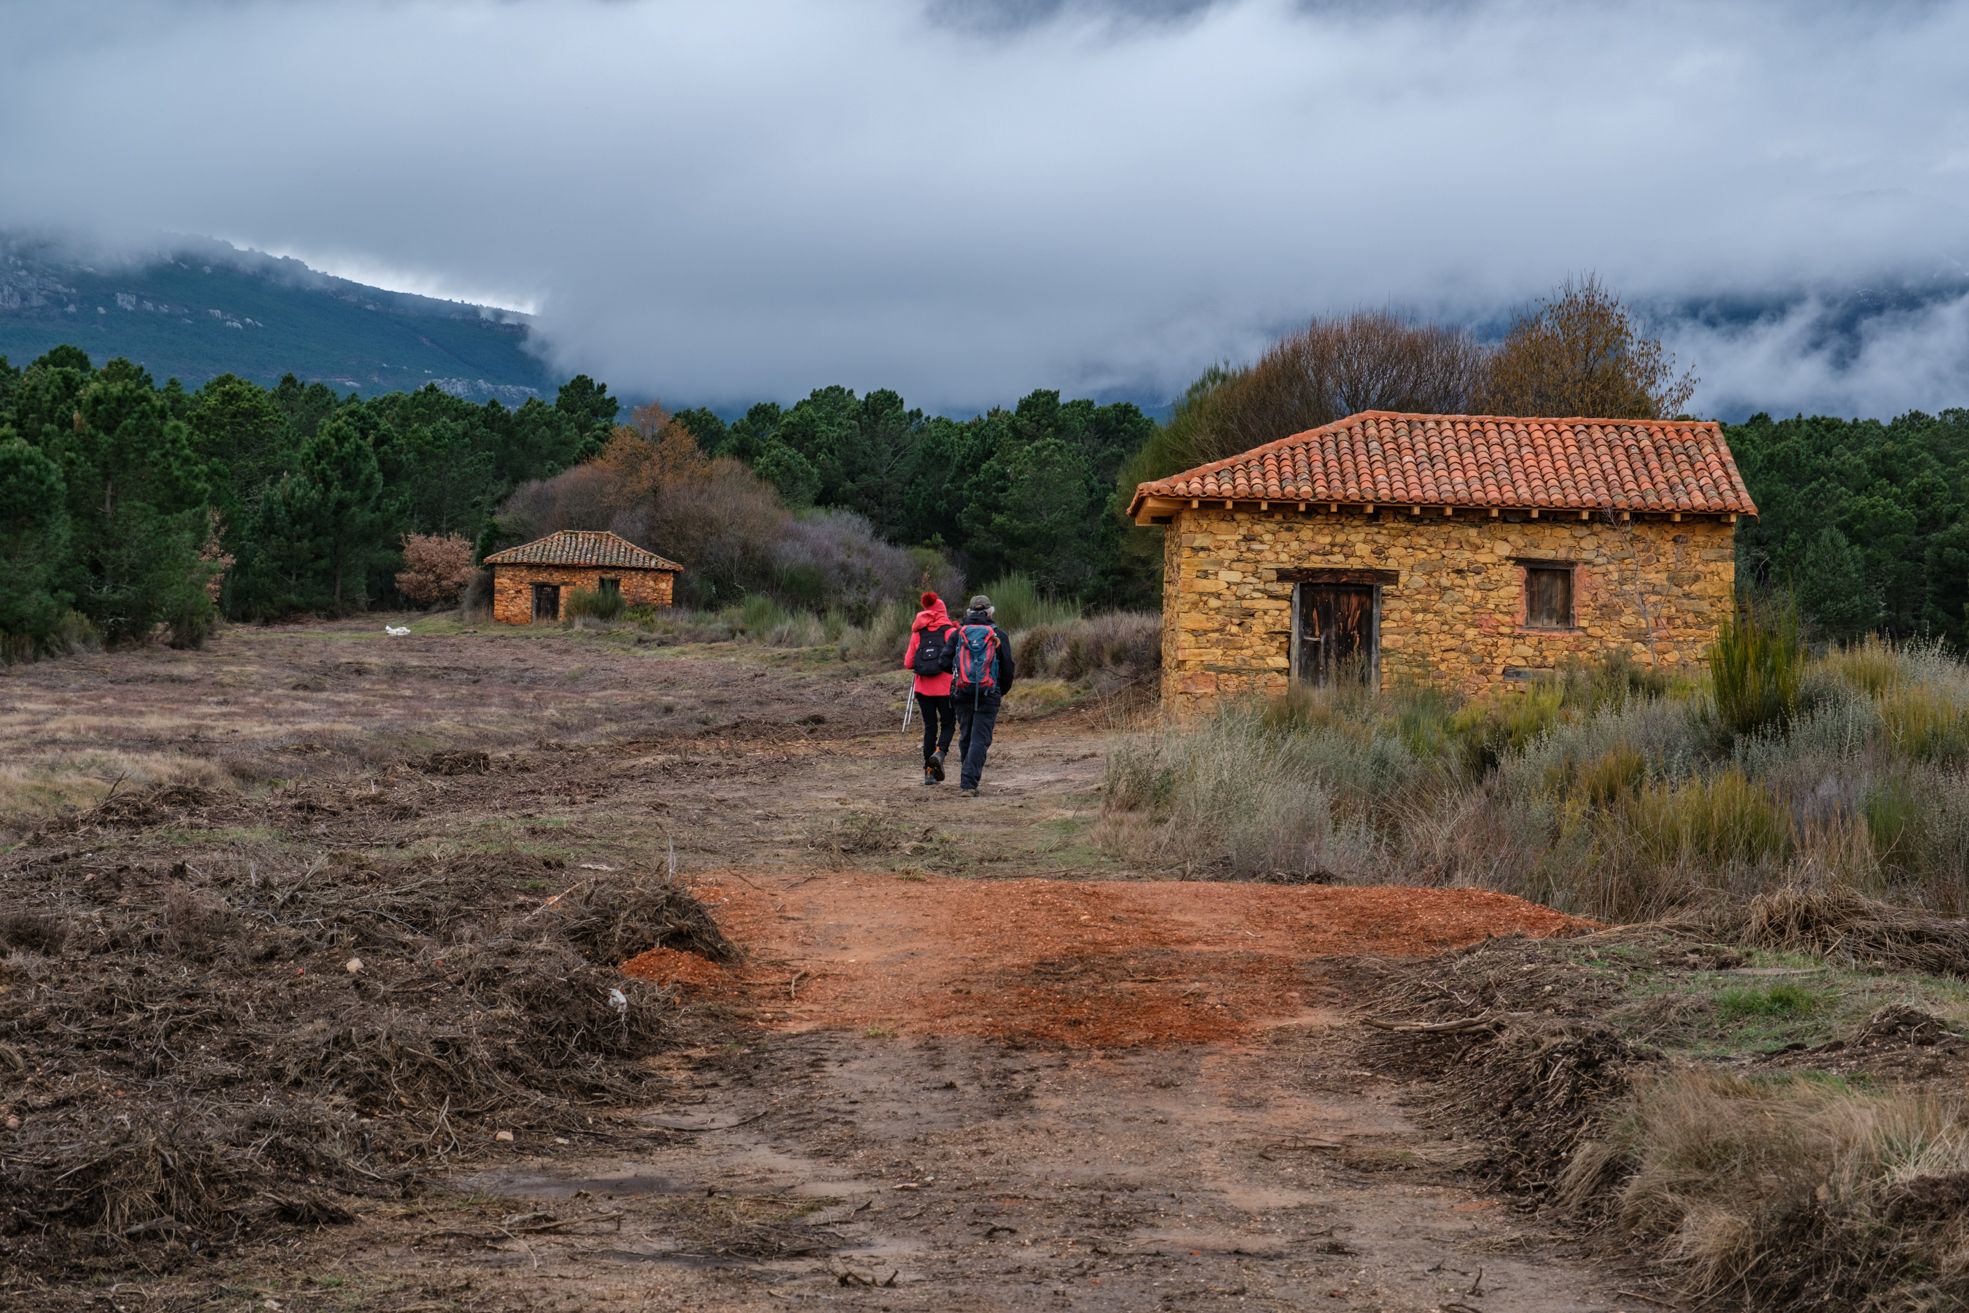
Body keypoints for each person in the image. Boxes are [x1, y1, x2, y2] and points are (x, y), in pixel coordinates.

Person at [949, 593, 1015, 797]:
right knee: (980, 738)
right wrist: (998, 690)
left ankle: (967, 777)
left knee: (966, 735)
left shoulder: (958, 633)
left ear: (970, 612)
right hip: (988, 692)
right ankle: (968, 783)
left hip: (962, 691)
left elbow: (944, 662)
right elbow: (1008, 668)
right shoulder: (998, 635)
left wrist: (961, 677)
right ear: (989, 612)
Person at [901, 591, 958, 786]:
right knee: (949, 723)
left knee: (930, 728)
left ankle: (929, 774)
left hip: (923, 687)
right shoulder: (950, 631)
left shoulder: (917, 632)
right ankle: (940, 752)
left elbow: (908, 662)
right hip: (946, 686)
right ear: (943, 611)